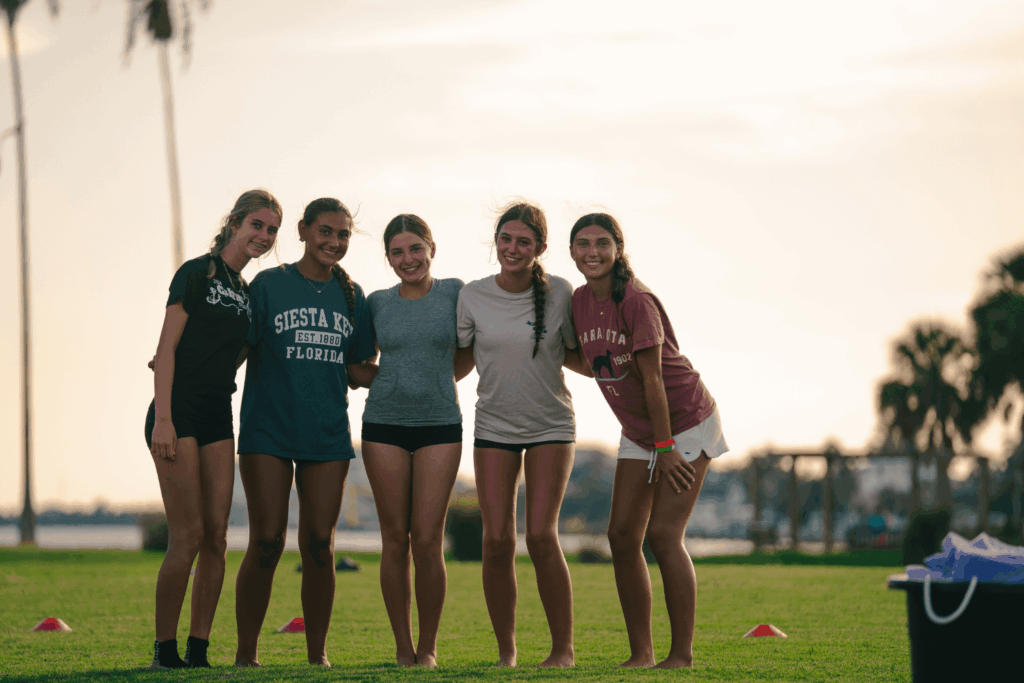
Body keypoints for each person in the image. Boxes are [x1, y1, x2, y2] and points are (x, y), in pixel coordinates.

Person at [568, 213, 728, 669]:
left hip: (685, 421)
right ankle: (642, 654)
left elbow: (653, 379)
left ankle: (681, 656)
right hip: (643, 429)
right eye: (582, 244)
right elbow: (599, 362)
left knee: (662, 534)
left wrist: (665, 447)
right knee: (621, 534)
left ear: (617, 248)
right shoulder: (580, 301)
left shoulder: (635, 299)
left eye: (601, 243)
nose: (592, 252)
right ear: (572, 251)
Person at [232, 197, 376, 668]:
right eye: (326, 232)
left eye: (343, 235)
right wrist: (184, 368)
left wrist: (420, 369)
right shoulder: (269, 285)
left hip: (327, 434)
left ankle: (317, 657)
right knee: (268, 539)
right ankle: (246, 655)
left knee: (319, 542)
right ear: (303, 230)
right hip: (267, 430)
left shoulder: (352, 296)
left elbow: (357, 370)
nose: (334, 242)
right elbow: (235, 346)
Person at [146, 189, 282, 669]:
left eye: (271, 230)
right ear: (235, 223)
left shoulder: (247, 294)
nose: (263, 236)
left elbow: (236, 353)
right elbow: (166, 350)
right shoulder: (196, 273)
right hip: (176, 412)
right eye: (257, 225)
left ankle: (198, 648)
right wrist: (163, 418)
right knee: (187, 535)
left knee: (218, 537)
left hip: (218, 416)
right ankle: (165, 650)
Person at [456, 201, 586, 668]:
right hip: (493, 426)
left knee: (541, 536)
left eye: (524, 242)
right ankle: (507, 652)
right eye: (506, 239)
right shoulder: (472, 296)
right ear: (496, 242)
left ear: (540, 248)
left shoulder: (561, 294)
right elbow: (459, 362)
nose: (512, 248)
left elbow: (575, 353)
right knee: (496, 541)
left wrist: (629, 371)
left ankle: (562, 651)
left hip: (551, 426)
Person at [360, 214, 473, 668]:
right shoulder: (375, 302)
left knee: (427, 539)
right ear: (388, 258)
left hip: (440, 425)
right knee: (395, 540)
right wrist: (395, 380)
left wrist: (434, 383)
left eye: (415, 249)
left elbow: (467, 353)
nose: (408, 259)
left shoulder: (454, 292)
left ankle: (428, 648)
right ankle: (402, 648)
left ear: (431, 247)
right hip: (383, 424)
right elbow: (359, 365)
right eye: (397, 252)